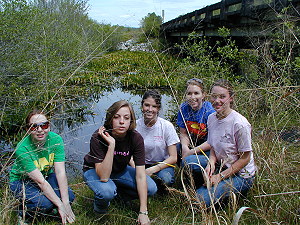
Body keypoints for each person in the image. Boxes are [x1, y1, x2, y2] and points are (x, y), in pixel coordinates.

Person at [83, 100, 157, 225]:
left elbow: (140, 175)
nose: (122, 121)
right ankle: (99, 209)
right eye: (117, 117)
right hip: (95, 171)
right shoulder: (98, 136)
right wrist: (111, 145)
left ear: (131, 120)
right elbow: (104, 177)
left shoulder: (136, 138)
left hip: (119, 170)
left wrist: (143, 212)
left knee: (151, 188)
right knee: (106, 191)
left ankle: (119, 196)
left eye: (126, 118)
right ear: (110, 119)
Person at [190, 79, 256, 207]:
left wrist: (219, 176)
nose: (217, 101)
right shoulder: (211, 118)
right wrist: (211, 162)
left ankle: (233, 194)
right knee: (188, 161)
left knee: (199, 200)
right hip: (222, 165)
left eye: (222, 97)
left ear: (231, 98)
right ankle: (208, 183)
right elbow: (214, 145)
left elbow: (245, 159)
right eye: (214, 97)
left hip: (241, 175)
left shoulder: (240, 124)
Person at [9, 110, 75, 224]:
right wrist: (60, 205)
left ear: (49, 126)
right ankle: (22, 211)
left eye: (44, 125)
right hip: (21, 181)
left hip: (46, 175)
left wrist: (66, 203)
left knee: (69, 196)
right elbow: (40, 182)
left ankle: (52, 210)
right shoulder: (22, 148)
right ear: (28, 130)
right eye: (34, 127)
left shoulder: (56, 140)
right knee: (45, 204)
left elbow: (60, 172)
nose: (40, 130)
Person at [136, 90, 179, 188]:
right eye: (147, 105)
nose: (150, 109)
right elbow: (129, 154)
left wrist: (153, 169)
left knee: (166, 179)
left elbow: (173, 157)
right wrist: (139, 170)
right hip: (140, 164)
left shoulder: (167, 126)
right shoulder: (135, 126)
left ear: (158, 108)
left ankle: (156, 185)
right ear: (142, 106)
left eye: (154, 106)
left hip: (162, 164)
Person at [177, 78, 215, 184]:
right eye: (189, 93)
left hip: (209, 150)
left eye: (196, 93)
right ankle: (188, 177)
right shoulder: (183, 108)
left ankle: (201, 178)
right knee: (176, 148)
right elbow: (183, 133)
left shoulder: (210, 111)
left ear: (203, 95)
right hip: (193, 144)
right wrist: (184, 147)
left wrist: (190, 152)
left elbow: (212, 141)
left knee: (188, 161)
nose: (192, 97)